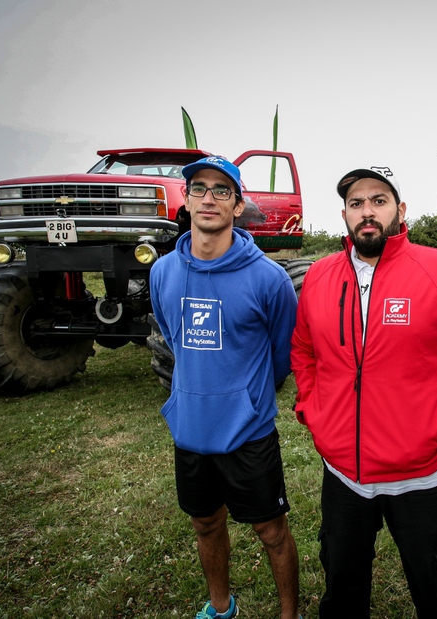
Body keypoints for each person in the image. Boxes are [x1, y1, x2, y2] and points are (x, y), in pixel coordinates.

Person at [290, 166, 437, 618]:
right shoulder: (320, 277)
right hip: (343, 471)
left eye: (379, 201)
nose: (367, 211)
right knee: (342, 583)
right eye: (357, 203)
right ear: (343, 213)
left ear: (400, 210)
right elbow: (303, 350)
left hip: (421, 470)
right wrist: (313, 411)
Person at [149, 156, 300, 619]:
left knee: (271, 531)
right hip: (191, 429)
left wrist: (249, 396)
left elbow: (281, 355)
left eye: (221, 190)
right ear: (187, 200)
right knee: (204, 523)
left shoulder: (269, 279)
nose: (209, 198)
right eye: (199, 188)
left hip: (248, 430)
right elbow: (174, 337)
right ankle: (220, 606)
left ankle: (289, 613)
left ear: (238, 206)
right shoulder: (163, 273)